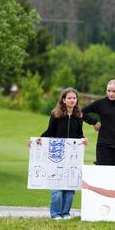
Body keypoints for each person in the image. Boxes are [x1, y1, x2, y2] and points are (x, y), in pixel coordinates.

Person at [29, 87, 88, 220]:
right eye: (69, 98)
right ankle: (55, 213)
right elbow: (49, 132)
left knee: (70, 187)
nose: (72, 100)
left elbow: (79, 134)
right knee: (57, 187)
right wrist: (35, 141)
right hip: (57, 155)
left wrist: (84, 140)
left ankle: (65, 213)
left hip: (72, 157)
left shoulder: (79, 116)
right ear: (63, 99)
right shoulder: (56, 114)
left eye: (74, 98)